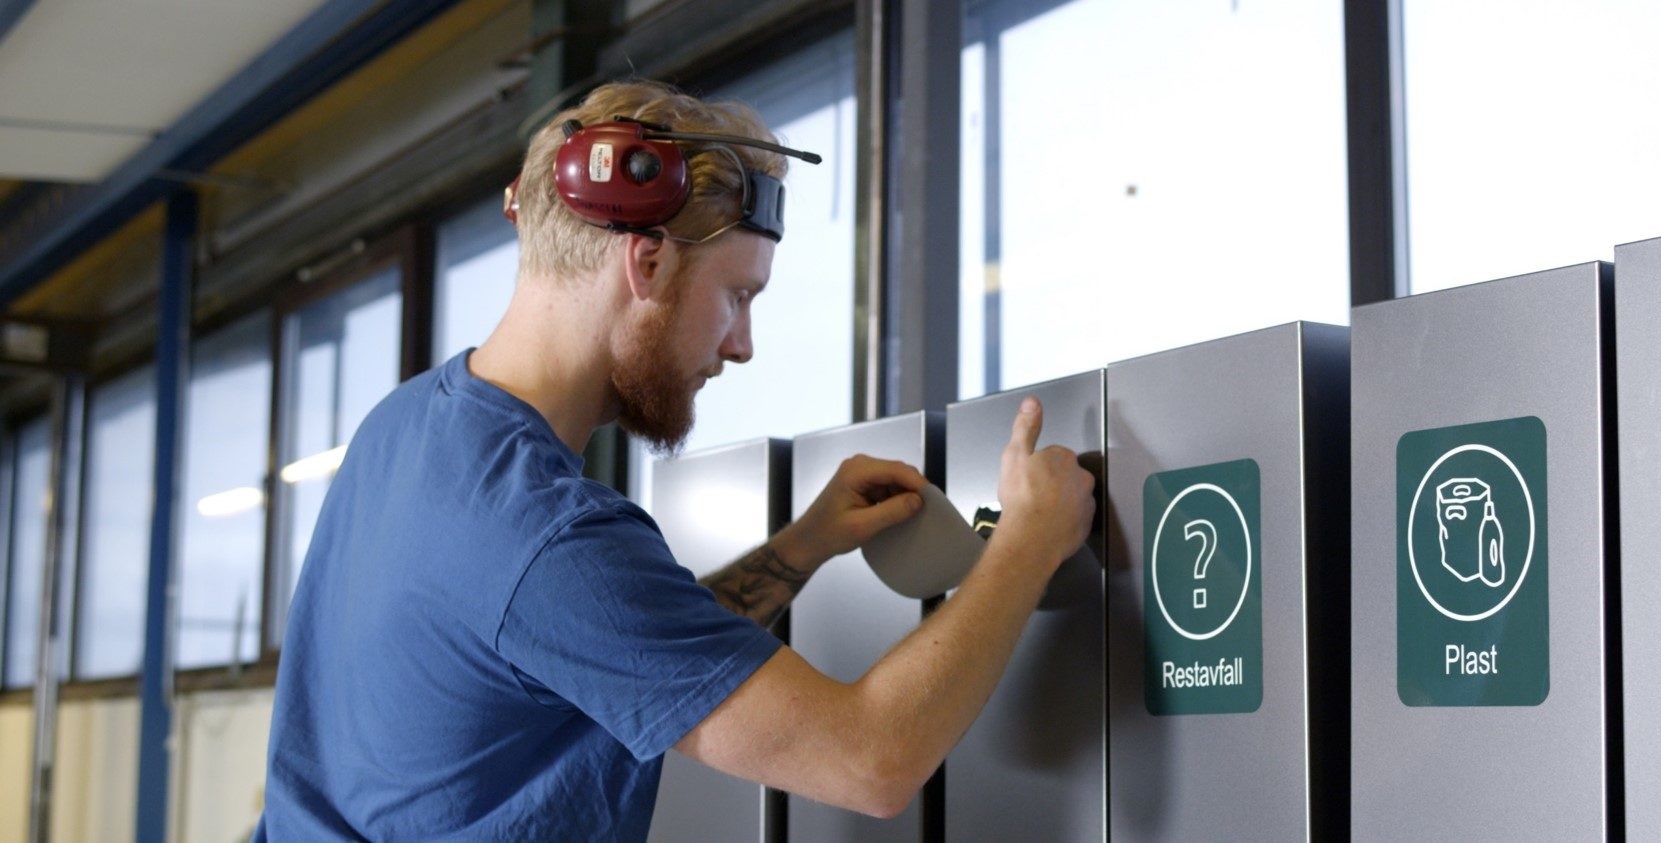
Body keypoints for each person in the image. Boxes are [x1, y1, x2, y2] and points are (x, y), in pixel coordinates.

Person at [257, 80, 1095, 840]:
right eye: (737, 296)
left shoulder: (404, 428)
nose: (742, 346)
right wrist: (1027, 541)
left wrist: (801, 547)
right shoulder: (552, 536)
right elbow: (869, 761)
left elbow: (610, 646)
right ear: (646, 262)